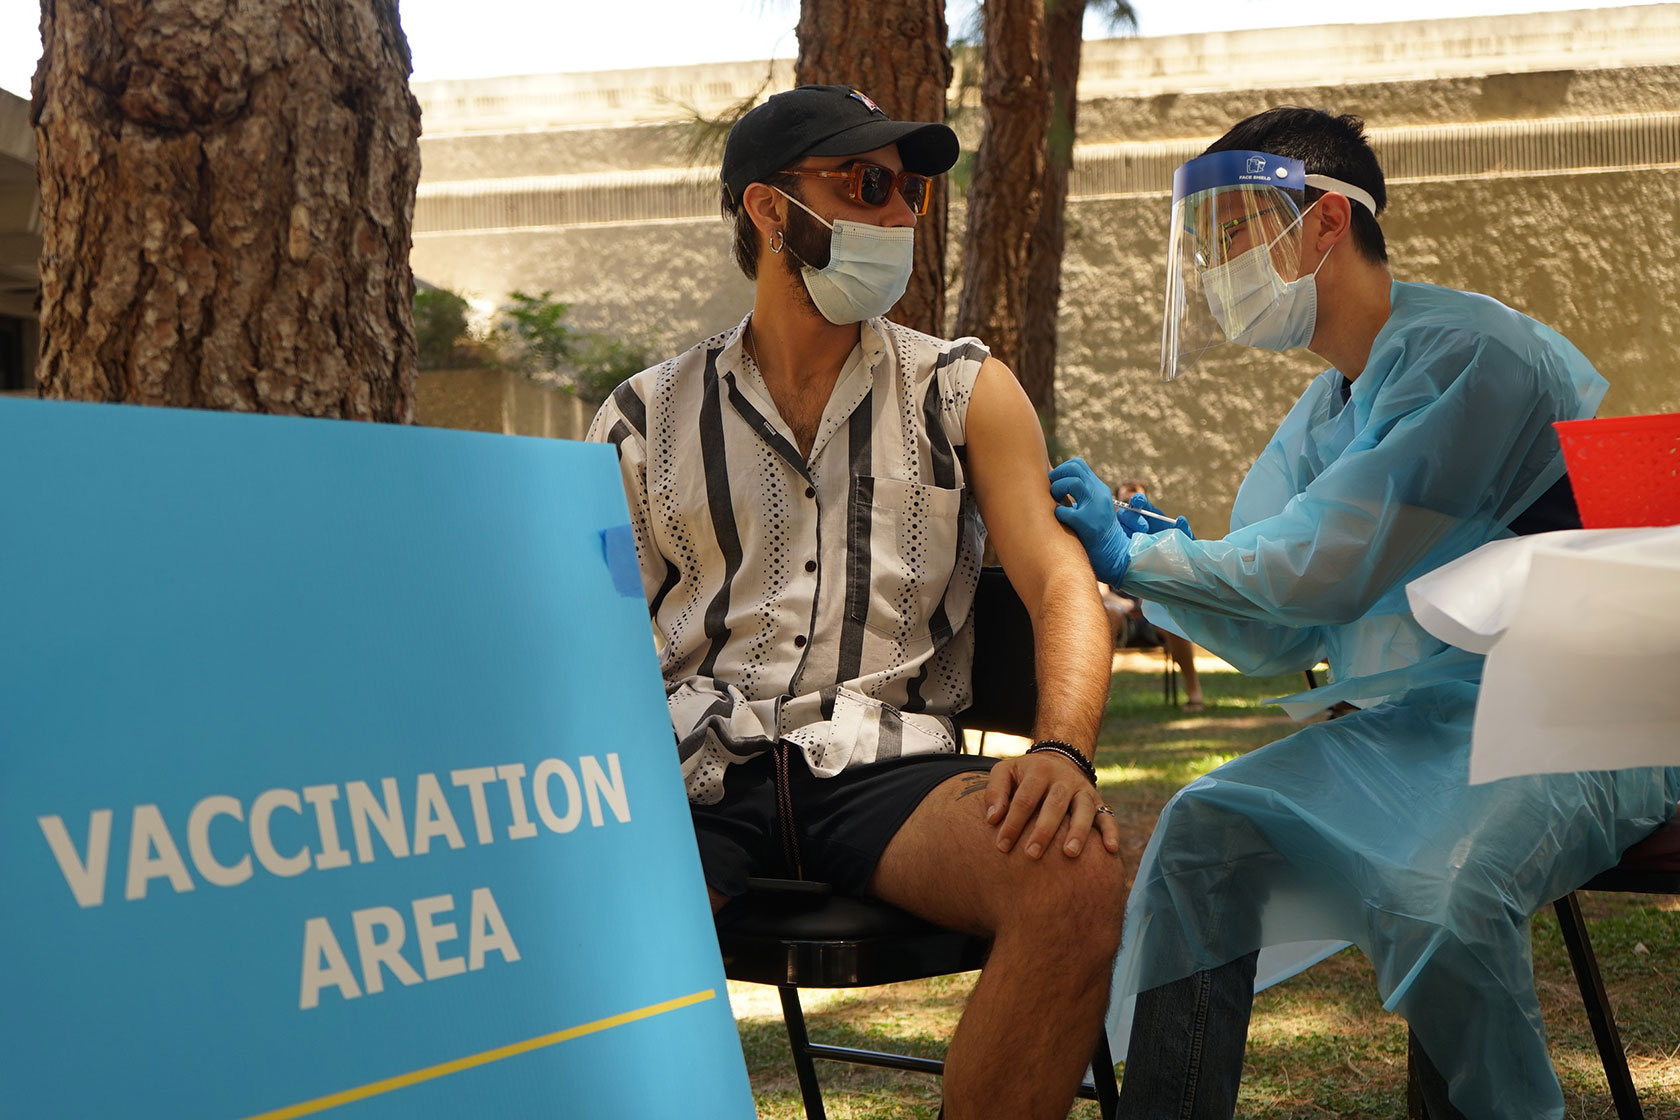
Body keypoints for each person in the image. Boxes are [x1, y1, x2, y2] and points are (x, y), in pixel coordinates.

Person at [1049, 107, 1680, 1120]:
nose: (1218, 265)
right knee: (1200, 835)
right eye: (1205, 241)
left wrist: (1147, 556)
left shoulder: (1472, 353)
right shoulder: (1324, 412)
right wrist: (1161, 559)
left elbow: (1321, 569)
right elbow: (1275, 630)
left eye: (1236, 227)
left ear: (1325, 225)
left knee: (1444, 898)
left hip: (1581, 708)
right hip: (1424, 722)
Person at [587, 85, 1125, 1120]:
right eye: (867, 185)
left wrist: (1060, 751)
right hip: (693, 771)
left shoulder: (963, 389)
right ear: (770, 211)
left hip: (888, 773)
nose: (898, 217)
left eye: (913, 191)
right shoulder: (641, 416)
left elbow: (1061, 578)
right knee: (565, 910)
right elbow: (590, 631)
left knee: (1078, 875)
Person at [1109, 479, 1205, 711]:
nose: (1130, 507)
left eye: (1136, 502)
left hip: (1153, 615)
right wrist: (1121, 603)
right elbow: (1099, 590)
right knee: (1105, 617)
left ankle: (1194, 694)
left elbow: (1171, 583)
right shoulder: (1103, 536)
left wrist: (1151, 599)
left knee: (1172, 618)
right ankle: (1094, 699)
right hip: (1122, 615)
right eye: (1125, 501)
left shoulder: (1160, 536)